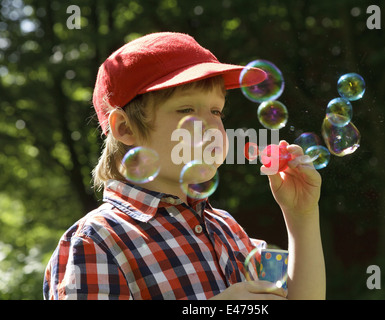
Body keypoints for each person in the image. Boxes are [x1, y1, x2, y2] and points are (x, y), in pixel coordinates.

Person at [43, 32, 325, 300]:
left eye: (216, 111)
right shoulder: (97, 241)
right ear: (126, 128)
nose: (212, 127)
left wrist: (301, 216)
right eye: (186, 110)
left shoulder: (227, 229)